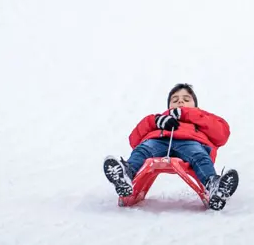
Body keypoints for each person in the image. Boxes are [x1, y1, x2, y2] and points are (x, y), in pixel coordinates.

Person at [102, 83, 239, 211]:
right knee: (143, 149)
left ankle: (214, 186)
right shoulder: (158, 119)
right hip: (159, 141)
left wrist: (190, 114)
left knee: (199, 156)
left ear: (196, 106)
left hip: (190, 143)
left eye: (186, 99)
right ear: (168, 106)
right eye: (175, 100)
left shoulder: (202, 118)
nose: (180, 102)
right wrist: (155, 121)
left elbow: (222, 134)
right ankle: (126, 175)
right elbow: (134, 140)